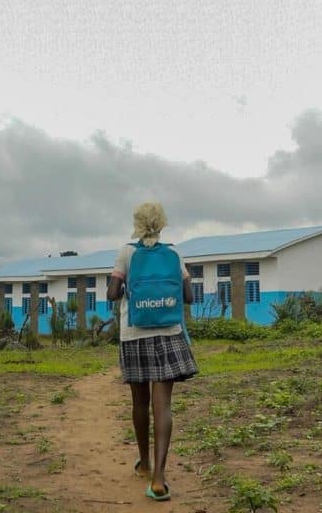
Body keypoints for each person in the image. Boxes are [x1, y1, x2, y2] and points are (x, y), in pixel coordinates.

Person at [107, 202, 198, 502]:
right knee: (164, 407)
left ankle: (144, 462)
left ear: (137, 223)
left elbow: (111, 292)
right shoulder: (173, 253)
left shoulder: (127, 252)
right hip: (169, 334)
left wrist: (125, 291)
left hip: (134, 333)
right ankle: (159, 479)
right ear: (162, 224)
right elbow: (188, 295)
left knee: (139, 402)